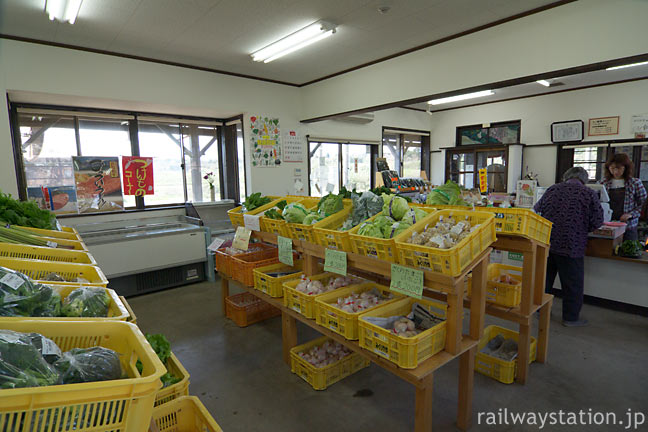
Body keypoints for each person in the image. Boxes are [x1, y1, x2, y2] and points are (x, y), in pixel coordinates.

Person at [534, 167, 603, 327]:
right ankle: (571, 318)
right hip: (572, 245)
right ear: (584, 179)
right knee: (572, 284)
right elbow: (598, 220)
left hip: (547, 242)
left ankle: (540, 311)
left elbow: (537, 210)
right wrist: (582, 228)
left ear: (566, 177)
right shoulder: (588, 193)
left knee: (544, 280)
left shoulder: (552, 189)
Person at [602, 153, 647, 241]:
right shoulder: (603, 183)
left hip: (629, 226)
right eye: (612, 168)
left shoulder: (635, 183)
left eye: (619, 168)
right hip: (607, 225)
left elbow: (644, 205)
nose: (615, 172)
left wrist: (631, 214)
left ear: (625, 168)